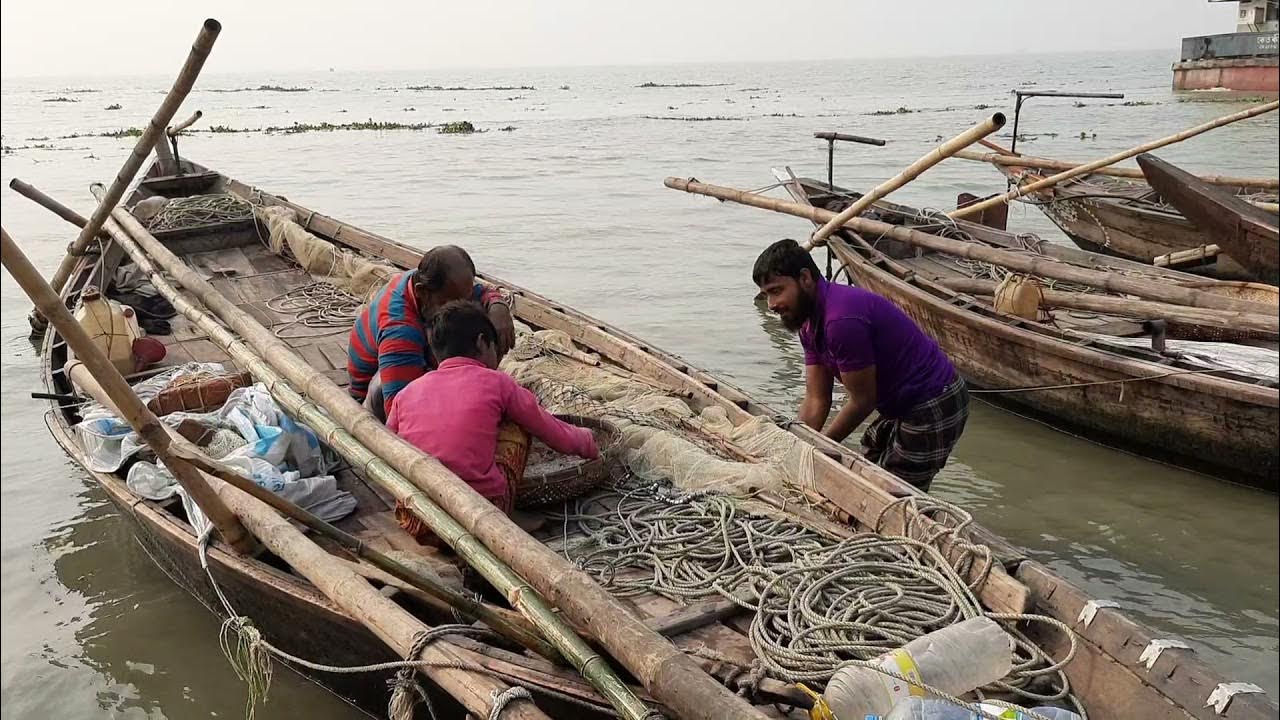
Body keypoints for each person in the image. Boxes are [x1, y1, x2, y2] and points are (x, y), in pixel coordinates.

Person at [753, 239, 968, 490]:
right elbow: (816, 399)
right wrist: (796, 446)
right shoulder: (809, 325)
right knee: (871, 460)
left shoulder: (840, 320)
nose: (771, 304)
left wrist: (819, 447)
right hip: (898, 402)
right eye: (767, 294)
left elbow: (863, 400)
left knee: (894, 490)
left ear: (805, 278)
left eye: (777, 291)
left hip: (933, 400)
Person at [387, 300, 599, 520]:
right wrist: (587, 442)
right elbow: (546, 427)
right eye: (495, 348)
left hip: (415, 515)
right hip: (480, 513)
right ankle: (511, 515)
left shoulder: (407, 392)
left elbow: (388, 442)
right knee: (517, 423)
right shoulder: (497, 382)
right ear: (482, 343)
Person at [347, 245, 516, 421]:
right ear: (422, 292)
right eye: (448, 302)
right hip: (376, 396)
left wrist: (499, 306)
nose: (458, 308)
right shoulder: (400, 329)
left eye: (464, 299)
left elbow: (483, 292)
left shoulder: (434, 283)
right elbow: (397, 411)